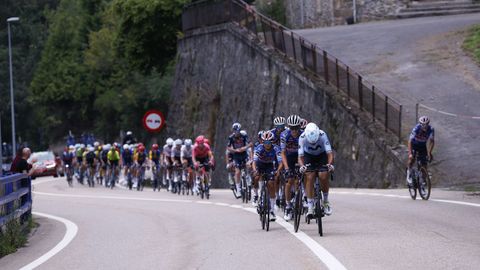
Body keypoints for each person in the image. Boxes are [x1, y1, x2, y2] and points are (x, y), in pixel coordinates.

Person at [297, 123, 334, 218]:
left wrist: (329, 165)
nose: (313, 144)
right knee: (309, 176)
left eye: (315, 141)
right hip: (308, 156)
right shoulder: (302, 137)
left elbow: (329, 153)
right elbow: (300, 157)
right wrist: (302, 166)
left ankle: (325, 201)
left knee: (323, 175)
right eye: (311, 142)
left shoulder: (322, 135)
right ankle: (310, 206)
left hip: (322, 155)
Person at [252, 131, 282, 221]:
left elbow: (280, 163)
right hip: (260, 165)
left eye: (268, 142)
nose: (267, 144)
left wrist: (278, 171)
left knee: (271, 184)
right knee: (256, 177)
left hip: (270, 166)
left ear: (272, 142)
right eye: (265, 142)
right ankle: (256, 195)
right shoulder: (259, 148)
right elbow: (254, 162)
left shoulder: (276, 148)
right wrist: (255, 170)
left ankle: (272, 210)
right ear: (262, 142)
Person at [281, 114, 302, 220]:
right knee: (289, 180)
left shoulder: (303, 134)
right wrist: (286, 168)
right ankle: (288, 206)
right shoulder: (284, 135)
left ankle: (303, 197)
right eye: (292, 128)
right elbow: (283, 153)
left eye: (296, 128)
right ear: (289, 127)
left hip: (300, 157)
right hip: (289, 158)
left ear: (299, 127)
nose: (294, 130)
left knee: (300, 179)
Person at [227, 123, 253, 198]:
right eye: (234, 131)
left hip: (244, 154)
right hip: (236, 156)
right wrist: (235, 150)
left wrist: (244, 148)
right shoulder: (231, 137)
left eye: (237, 131)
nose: (236, 132)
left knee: (248, 165)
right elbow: (228, 148)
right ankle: (238, 189)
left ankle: (248, 177)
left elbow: (251, 144)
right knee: (237, 172)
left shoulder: (244, 136)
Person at [407, 116, 435, 184]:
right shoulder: (416, 129)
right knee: (412, 160)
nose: (424, 126)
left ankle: (423, 181)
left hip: (422, 146)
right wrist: (410, 153)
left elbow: (431, 141)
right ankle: (409, 172)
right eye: (423, 125)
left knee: (424, 164)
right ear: (420, 124)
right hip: (414, 145)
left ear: (428, 124)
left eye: (426, 124)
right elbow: (410, 141)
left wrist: (429, 152)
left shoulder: (431, 129)